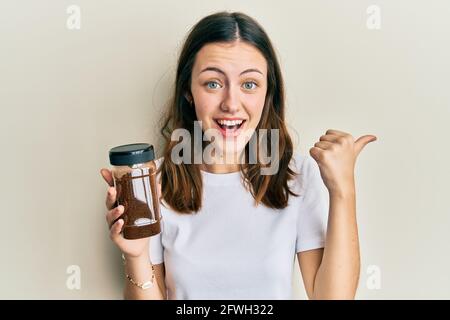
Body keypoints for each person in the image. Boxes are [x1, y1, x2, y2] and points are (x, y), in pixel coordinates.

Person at [100, 11, 377, 300]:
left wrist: (343, 190)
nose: (231, 104)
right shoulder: (152, 183)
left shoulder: (298, 176)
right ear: (188, 92)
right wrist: (136, 254)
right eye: (213, 83)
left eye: (249, 84)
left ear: (268, 93)